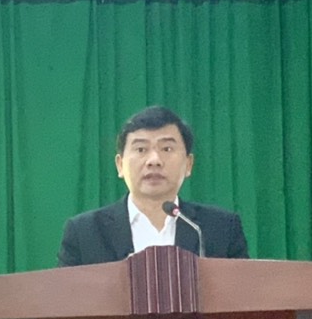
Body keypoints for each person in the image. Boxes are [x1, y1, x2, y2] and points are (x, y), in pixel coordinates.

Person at [57, 106, 249, 267]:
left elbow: (243, 296)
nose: (154, 160)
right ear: (120, 165)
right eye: (141, 149)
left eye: (167, 149)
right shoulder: (84, 233)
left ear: (189, 164)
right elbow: (67, 298)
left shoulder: (221, 229)